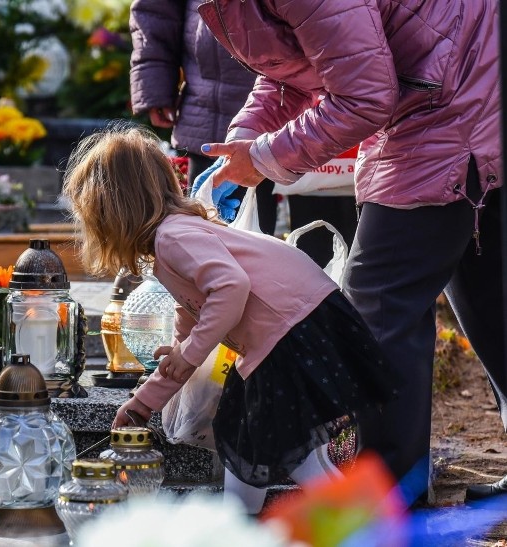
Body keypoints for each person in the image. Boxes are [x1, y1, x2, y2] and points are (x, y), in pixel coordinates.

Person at [193, 0, 503, 503]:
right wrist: (245, 142)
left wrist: (267, 158)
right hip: (458, 91)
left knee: (377, 309)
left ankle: (388, 501)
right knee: (492, 305)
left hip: (447, 111)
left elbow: (363, 96)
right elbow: (294, 67)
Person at [62, 123, 396, 514]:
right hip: (300, 324)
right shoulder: (176, 237)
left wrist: (187, 355)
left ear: (114, 211)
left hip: (289, 332)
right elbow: (189, 328)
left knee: (281, 446)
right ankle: (242, 523)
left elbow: (230, 287)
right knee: (245, 438)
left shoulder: (173, 238)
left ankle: (361, 523)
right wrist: (143, 403)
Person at [128, 0, 276, 234]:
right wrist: (154, 81)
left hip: (302, 98)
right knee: (210, 232)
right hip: (209, 105)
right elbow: (154, 11)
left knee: (317, 238)